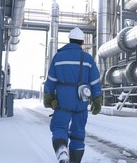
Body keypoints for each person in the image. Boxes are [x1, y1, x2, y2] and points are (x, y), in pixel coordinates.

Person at [43, 27, 102, 163]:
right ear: (81, 42)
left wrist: (49, 97)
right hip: (81, 100)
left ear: (69, 40)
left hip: (63, 100)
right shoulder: (87, 58)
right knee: (78, 132)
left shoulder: (58, 57)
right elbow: (95, 81)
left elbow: (51, 80)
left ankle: (62, 150)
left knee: (59, 127)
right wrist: (97, 99)